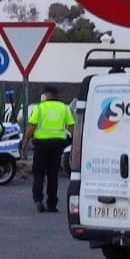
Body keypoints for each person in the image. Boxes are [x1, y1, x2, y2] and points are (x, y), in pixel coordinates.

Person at [27, 84, 75, 213]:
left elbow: (31, 127)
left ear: (46, 94)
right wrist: (75, 142)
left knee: (39, 174)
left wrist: (25, 142)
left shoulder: (39, 108)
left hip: (41, 145)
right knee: (53, 175)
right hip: (57, 145)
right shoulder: (64, 108)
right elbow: (71, 127)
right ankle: (52, 204)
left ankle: (38, 199)